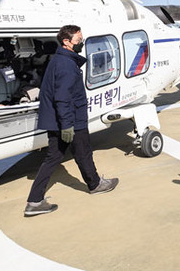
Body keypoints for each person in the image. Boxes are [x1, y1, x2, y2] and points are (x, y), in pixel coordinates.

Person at [24, 25, 118, 217]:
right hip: (71, 121)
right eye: (78, 39)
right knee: (83, 153)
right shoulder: (66, 65)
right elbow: (62, 98)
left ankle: (34, 201)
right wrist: (67, 126)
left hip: (59, 120)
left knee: (53, 158)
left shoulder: (59, 60)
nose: (81, 42)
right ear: (66, 42)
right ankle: (95, 184)